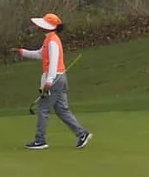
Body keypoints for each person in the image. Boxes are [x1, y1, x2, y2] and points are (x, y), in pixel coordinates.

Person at [13, 13, 92, 150]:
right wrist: (22, 52)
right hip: (59, 78)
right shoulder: (49, 40)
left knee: (43, 108)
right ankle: (82, 134)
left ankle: (40, 140)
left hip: (55, 78)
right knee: (61, 110)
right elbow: (40, 54)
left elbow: (53, 62)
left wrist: (49, 81)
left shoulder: (52, 41)